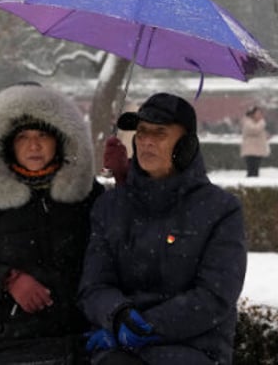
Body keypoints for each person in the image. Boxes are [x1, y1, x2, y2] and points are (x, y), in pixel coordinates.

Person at [79, 92, 247, 365]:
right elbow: (94, 285)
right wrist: (117, 315)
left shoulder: (222, 210)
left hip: (194, 351)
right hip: (119, 355)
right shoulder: (110, 207)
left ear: (187, 145)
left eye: (160, 133)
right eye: (142, 132)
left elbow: (214, 296)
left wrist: (146, 327)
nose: (147, 142)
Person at [0, 83, 105, 364]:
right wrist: (9, 280)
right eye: (23, 136)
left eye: (42, 134)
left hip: (77, 341)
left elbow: (119, 248)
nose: (34, 145)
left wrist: (126, 177)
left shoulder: (85, 193)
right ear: (8, 142)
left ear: (58, 138)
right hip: (7, 346)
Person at [240, 105, 270, 177]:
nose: (260, 115)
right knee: (252, 171)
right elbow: (254, 130)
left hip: (256, 151)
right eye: (258, 113)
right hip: (251, 151)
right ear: (252, 114)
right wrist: (262, 123)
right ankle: (248, 186)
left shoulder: (256, 123)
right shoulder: (248, 122)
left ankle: (252, 186)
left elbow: (257, 133)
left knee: (255, 171)